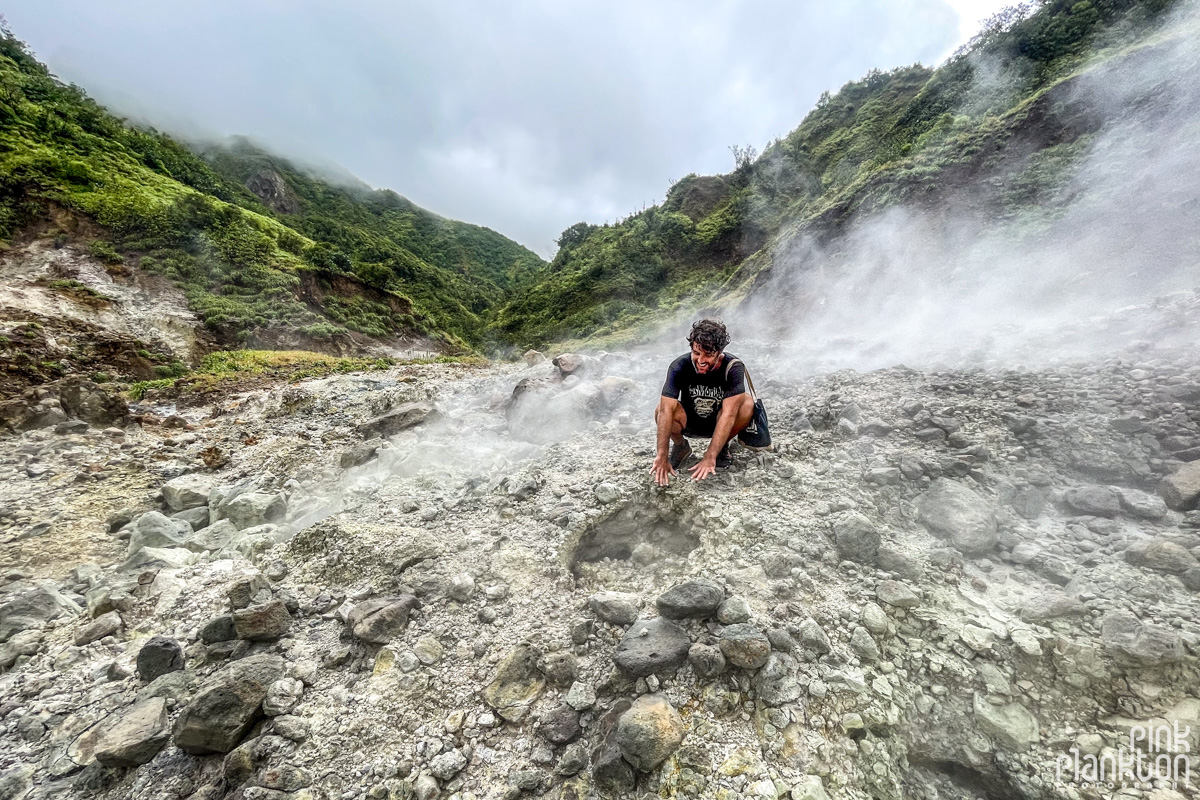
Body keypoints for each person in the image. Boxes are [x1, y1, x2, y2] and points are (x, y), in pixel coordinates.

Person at [651, 319, 755, 486]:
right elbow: (665, 411)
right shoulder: (680, 366)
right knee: (660, 409)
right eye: (696, 353)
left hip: (719, 424)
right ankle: (681, 447)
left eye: (708, 355)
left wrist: (709, 456)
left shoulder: (733, 367)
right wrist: (661, 455)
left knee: (747, 403)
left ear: (719, 352)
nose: (700, 360)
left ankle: (720, 448)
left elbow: (729, 414)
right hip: (689, 422)